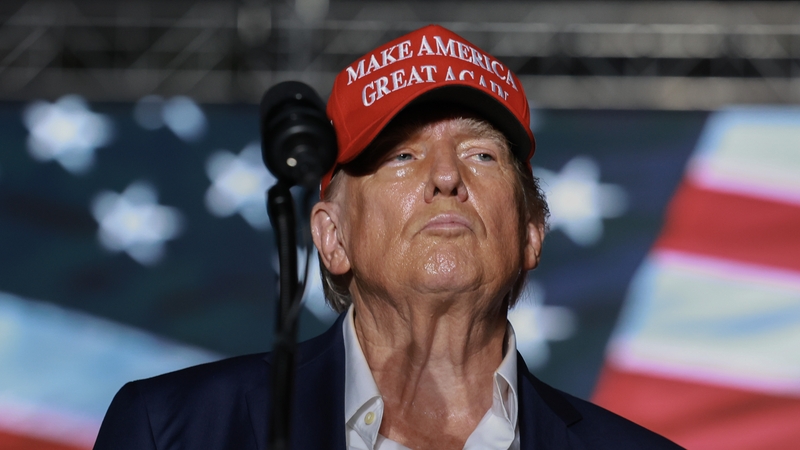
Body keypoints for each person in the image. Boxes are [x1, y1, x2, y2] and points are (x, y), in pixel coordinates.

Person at [94, 25, 682, 450]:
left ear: (531, 233)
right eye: (401, 154)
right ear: (331, 237)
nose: (447, 177)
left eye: (481, 153)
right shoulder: (172, 430)